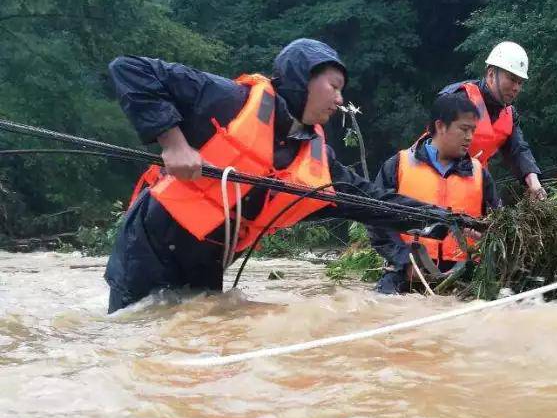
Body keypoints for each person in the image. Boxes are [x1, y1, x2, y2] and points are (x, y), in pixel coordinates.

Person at [105, 38, 463, 313]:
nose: (340, 99)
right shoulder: (228, 100)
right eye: (334, 86)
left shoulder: (319, 167)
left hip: (207, 265)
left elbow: (370, 200)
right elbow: (130, 69)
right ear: (301, 78)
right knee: (140, 342)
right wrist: (173, 142)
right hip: (149, 249)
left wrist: (437, 218)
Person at [367, 93, 500, 295]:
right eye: (464, 129)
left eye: (472, 130)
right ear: (440, 126)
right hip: (406, 272)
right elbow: (376, 220)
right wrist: (404, 260)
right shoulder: (398, 165)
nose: (469, 137)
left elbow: (499, 226)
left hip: (466, 275)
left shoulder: (480, 174)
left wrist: (484, 236)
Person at [438, 41, 547, 201]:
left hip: (473, 191)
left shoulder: (509, 114)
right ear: (491, 74)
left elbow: (518, 149)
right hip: (438, 189)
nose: (516, 87)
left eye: (520, 82)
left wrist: (533, 181)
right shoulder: (458, 99)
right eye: (512, 79)